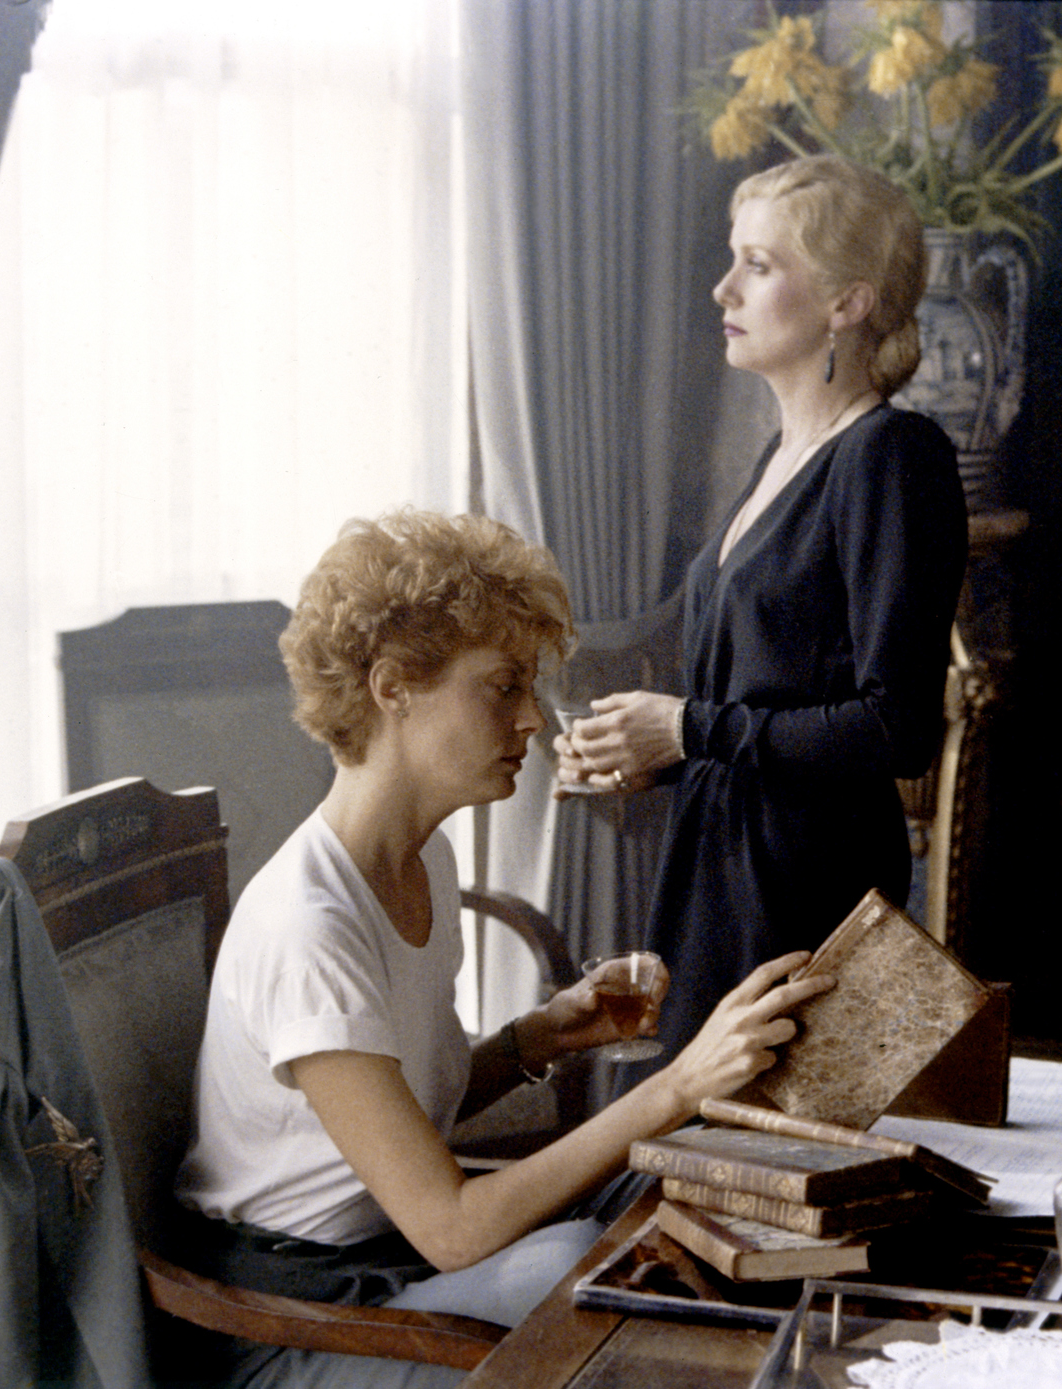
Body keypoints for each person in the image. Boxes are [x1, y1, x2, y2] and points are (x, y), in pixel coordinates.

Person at [173, 510, 833, 1389]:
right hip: (298, 1327)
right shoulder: (310, 925)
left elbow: (396, 1117)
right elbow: (450, 1225)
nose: (531, 718)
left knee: (691, 1218)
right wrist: (676, 1087)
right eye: (503, 685)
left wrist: (538, 1039)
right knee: (641, 1306)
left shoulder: (421, 859)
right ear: (393, 686)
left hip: (397, 1265)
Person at [557, 154, 967, 1058]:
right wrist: (644, 753)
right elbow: (764, 697)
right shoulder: (779, 457)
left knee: (745, 1158)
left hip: (801, 886)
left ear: (847, 302)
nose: (722, 287)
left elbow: (894, 727)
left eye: (760, 264)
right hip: (719, 865)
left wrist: (689, 729)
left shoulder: (892, 457)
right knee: (684, 1152)